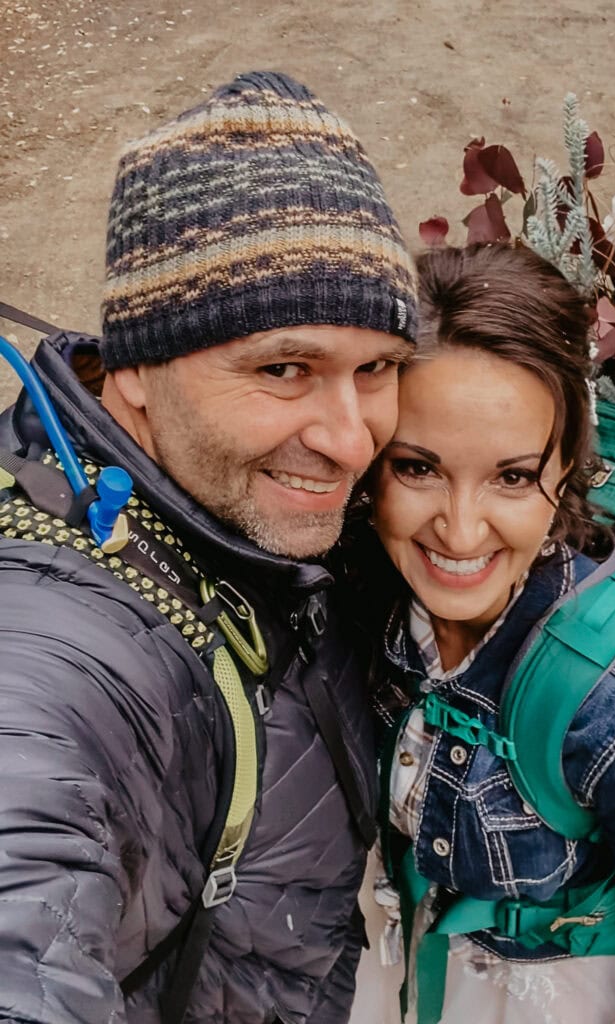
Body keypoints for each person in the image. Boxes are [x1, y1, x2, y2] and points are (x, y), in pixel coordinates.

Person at [0, 71, 418, 1023]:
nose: (354, 440)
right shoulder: (46, 657)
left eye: (379, 369)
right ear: (138, 367)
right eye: (284, 368)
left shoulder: (226, 496)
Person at [353, 243, 615, 1024]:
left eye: (511, 476)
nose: (460, 532)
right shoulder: (358, 590)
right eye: (417, 468)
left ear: (570, 467)